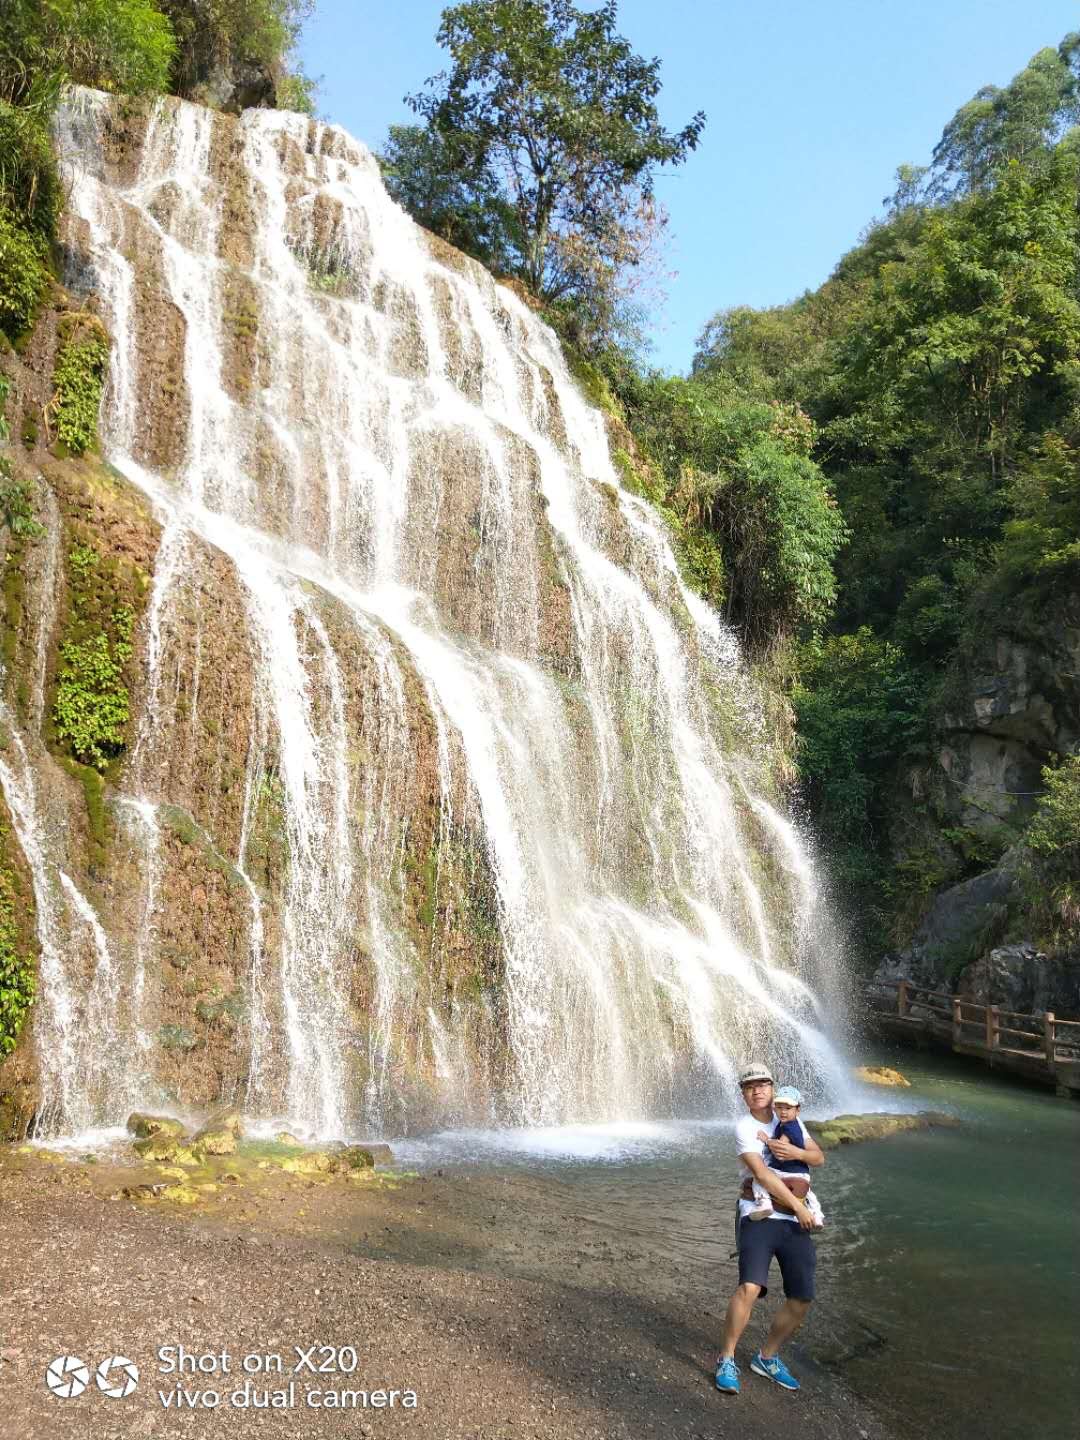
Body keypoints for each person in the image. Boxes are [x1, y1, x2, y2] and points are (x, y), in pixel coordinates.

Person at [715, 1063, 825, 1396]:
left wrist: (797, 1152)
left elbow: (818, 1157)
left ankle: (767, 1357)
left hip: (792, 1219)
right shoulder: (744, 1127)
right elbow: (762, 1175)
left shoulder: (790, 1117)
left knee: (802, 1296)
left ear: (773, 1089)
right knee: (749, 1286)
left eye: (763, 1085)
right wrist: (799, 1207)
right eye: (750, 1087)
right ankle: (726, 1358)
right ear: (744, 1094)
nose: (757, 1091)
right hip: (759, 1213)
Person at [746, 1086, 825, 1227]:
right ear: (774, 1107)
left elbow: (780, 1150)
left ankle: (764, 1203)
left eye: (787, 1108)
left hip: (786, 1171)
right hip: (802, 1173)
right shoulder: (790, 1123)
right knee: (808, 1193)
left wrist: (766, 1140)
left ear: (797, 1110)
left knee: (759, 1179)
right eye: (779, 1107)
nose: (783, 1112)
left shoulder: (789, 1127)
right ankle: (817, 1215)